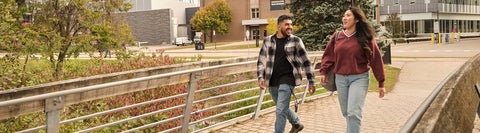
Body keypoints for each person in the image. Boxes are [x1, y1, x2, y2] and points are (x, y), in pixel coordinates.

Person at [319, 7, 386, 133]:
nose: (344, 18)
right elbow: (328, 55)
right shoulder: (337, 36)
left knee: (354, 113)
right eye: (344, 15)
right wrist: (323, 71)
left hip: (359, 78)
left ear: (356, 19)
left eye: (348, 15)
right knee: (346, 113)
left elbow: (375, 59)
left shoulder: (366, 37)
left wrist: (381, 82)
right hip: (340, 79)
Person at [257, 15, 316, 133]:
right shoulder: (268, 40)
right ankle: (296, 123)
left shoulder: (296, 40)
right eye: (287, 24)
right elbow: (261, 60)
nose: (290, 27)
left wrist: (311, 81)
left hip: (289, 79)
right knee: (281, 107)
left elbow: (306, 61)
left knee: (280, 110)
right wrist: (260, 76)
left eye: (291, 24)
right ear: (279, 26)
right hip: (272, 79)